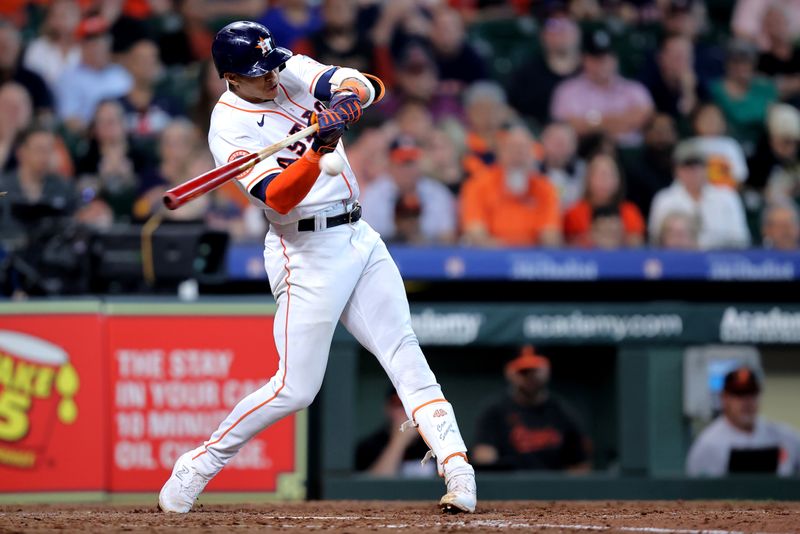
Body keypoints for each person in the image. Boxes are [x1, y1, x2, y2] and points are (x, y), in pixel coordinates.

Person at [157, 21, 476, 514]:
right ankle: (198, 464)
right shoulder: (229, 125)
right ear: (231, 76)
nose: (272, 77)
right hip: (304, 251)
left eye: (272, 65)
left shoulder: (291, 70)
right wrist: (318, 149)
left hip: (358, 235)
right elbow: (278, 197)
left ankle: (457, 469)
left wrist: (348, 101)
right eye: (259, 72)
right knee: (295, 389)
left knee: (404, 353)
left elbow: (372, 85)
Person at [472, 346, 590, 472]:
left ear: (547, 370)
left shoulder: (562, 412)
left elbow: (580, 466)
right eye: (523, 371)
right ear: (509, 372)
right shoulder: (495, 411)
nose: (530, 377)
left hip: (554, 488)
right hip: (511, 488)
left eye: (534, 370)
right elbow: (483, 456)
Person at [686, 366, 800, 477]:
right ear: (724, 398)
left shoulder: (785, 437)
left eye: (751, 394)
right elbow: (700, 492)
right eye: (739, 395)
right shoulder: (708, 445)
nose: (746, 401)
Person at [550, 27, 654, 147]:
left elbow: (643, 117)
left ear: (615, 59)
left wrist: (592, 122)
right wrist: (620, 120)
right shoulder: (567, 90)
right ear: (584, 59)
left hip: (633, 155)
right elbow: (568, 127)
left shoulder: (635, 89)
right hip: (587, 153)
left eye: (606, 57)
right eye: (596, 58)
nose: (602, 63)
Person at [460, 125, 561, 247]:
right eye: (512, 148)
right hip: (492, 257)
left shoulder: (546, 188)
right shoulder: (477, 184)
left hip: (532, 260)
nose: (518, 155)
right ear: (500, 152)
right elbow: (475, 232)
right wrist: (509, 254)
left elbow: (551, 236)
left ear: (534, 154)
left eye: (524, 149)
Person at [649, 140, 751, 250]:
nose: (693, 172)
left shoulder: (727, 196)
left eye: (698, 165)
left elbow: (741, 239)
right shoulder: (664, 199)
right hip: (677, 260)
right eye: (686, 166)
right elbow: (656, 240)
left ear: (707, 169)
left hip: (719, 261)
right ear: (676, 170)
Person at [360, 135, 456, 245]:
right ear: (390, 165)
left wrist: (417, 235)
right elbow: (365, 240)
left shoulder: (437, 193)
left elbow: (448, 238)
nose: (408, 170)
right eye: (402, 164)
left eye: (411, 163)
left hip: (427, 256)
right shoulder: (374, 194)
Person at [55, 15, 133, 132]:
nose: (97, 47)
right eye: (90, 43)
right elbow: (69, 119)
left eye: (101, 41)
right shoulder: (68, 78)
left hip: (124, 133)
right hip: (89, 137)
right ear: (80, 46)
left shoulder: (121, 74)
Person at [508, 15, 582, 127]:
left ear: (577, 34)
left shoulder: (592, 71)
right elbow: (511, 109)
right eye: (553, 31)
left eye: (564, 30)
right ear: (543, 36)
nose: (559, 36)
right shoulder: (526, 74)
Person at [709, 39, 778, 156]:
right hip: (728, 146)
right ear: (727, 64)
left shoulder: (765, 87)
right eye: (735, 62)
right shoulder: (716, 90)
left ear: (753, 63)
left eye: (745, 62)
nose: (740, 67)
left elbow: (773, 118)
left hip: (764, 146)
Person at [563, 153, 644, 248]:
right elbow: (566, 248)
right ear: (588, 178)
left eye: (609, 175)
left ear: (618, 179)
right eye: (599, 174)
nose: (604, 180)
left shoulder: (630, 212)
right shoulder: (574, 213)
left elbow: (637, 248)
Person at [355, 388, 436, 477]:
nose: (406, 411)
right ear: (387, 408)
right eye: (398, 403)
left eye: (413, 404)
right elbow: (373, 487)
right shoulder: (368, 448)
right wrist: (399, 441)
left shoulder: (436, 444)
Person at [540, 122, 585, 210]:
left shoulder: (586, 172)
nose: (559, 147)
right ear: (543, 142)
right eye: (555, 141)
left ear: (574, 145)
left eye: (563, 142)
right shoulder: (531, 171)